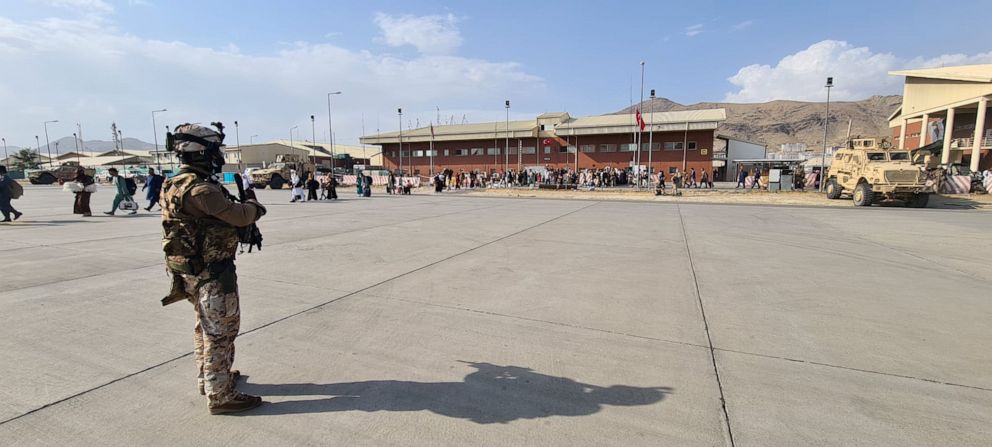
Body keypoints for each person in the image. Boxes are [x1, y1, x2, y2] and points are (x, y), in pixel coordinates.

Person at [159, 122, 267, 415]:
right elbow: (239, 216)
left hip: (190, 270)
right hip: (212, 273)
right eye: (215, 150)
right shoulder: (202, 189)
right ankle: (220, 395)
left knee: (204, 326)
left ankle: (209, 378)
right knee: (220, 332)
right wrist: (255, 206)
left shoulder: (174, 182)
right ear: (203, 152)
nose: (218, 156)